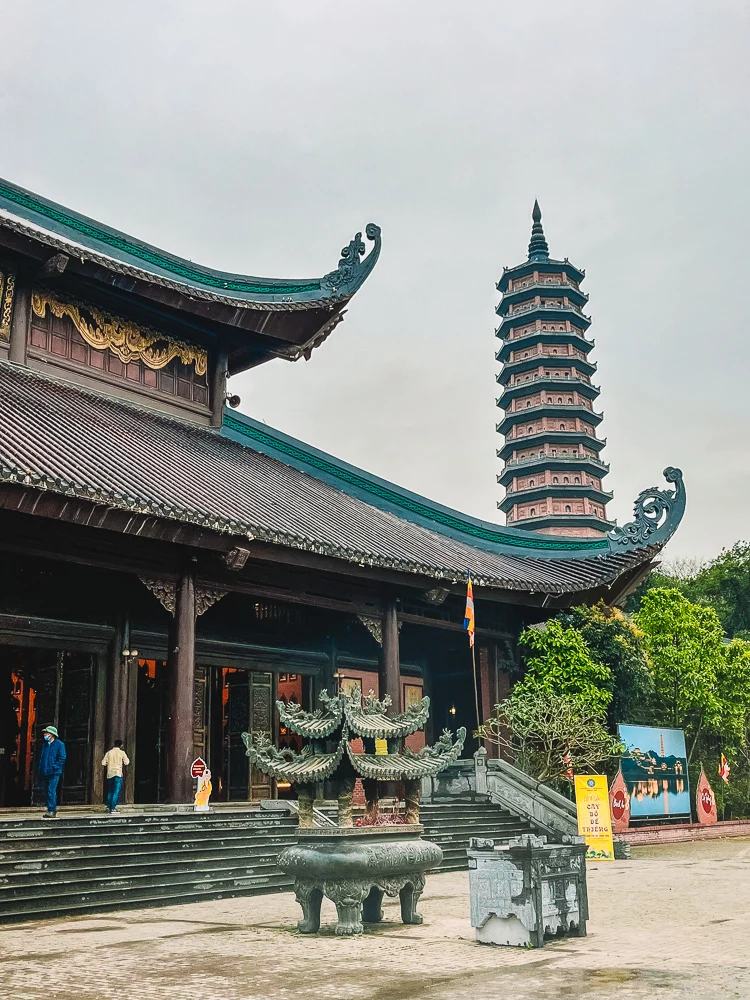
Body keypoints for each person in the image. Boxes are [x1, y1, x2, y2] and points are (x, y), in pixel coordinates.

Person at [38, 725, 66, 819]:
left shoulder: (59, 744)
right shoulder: (45, 745)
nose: (45, 735)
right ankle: (49, 809)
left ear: (51, 734)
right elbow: (42, 758)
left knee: (51, 790)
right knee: (46, 791)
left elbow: (62, 758)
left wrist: (54, 767)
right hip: (45, 771)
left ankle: (52, 810)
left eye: (46, 733)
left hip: (54, 773)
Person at [101, 740, 129, 814]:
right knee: (116, 791)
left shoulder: (109, 753)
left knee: (110, 791)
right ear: (121, 745)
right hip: (118, 773)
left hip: (110, 774)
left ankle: (108, 807)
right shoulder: (122, 753)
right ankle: (113, 808)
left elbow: (103, 763)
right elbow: (127, 762)